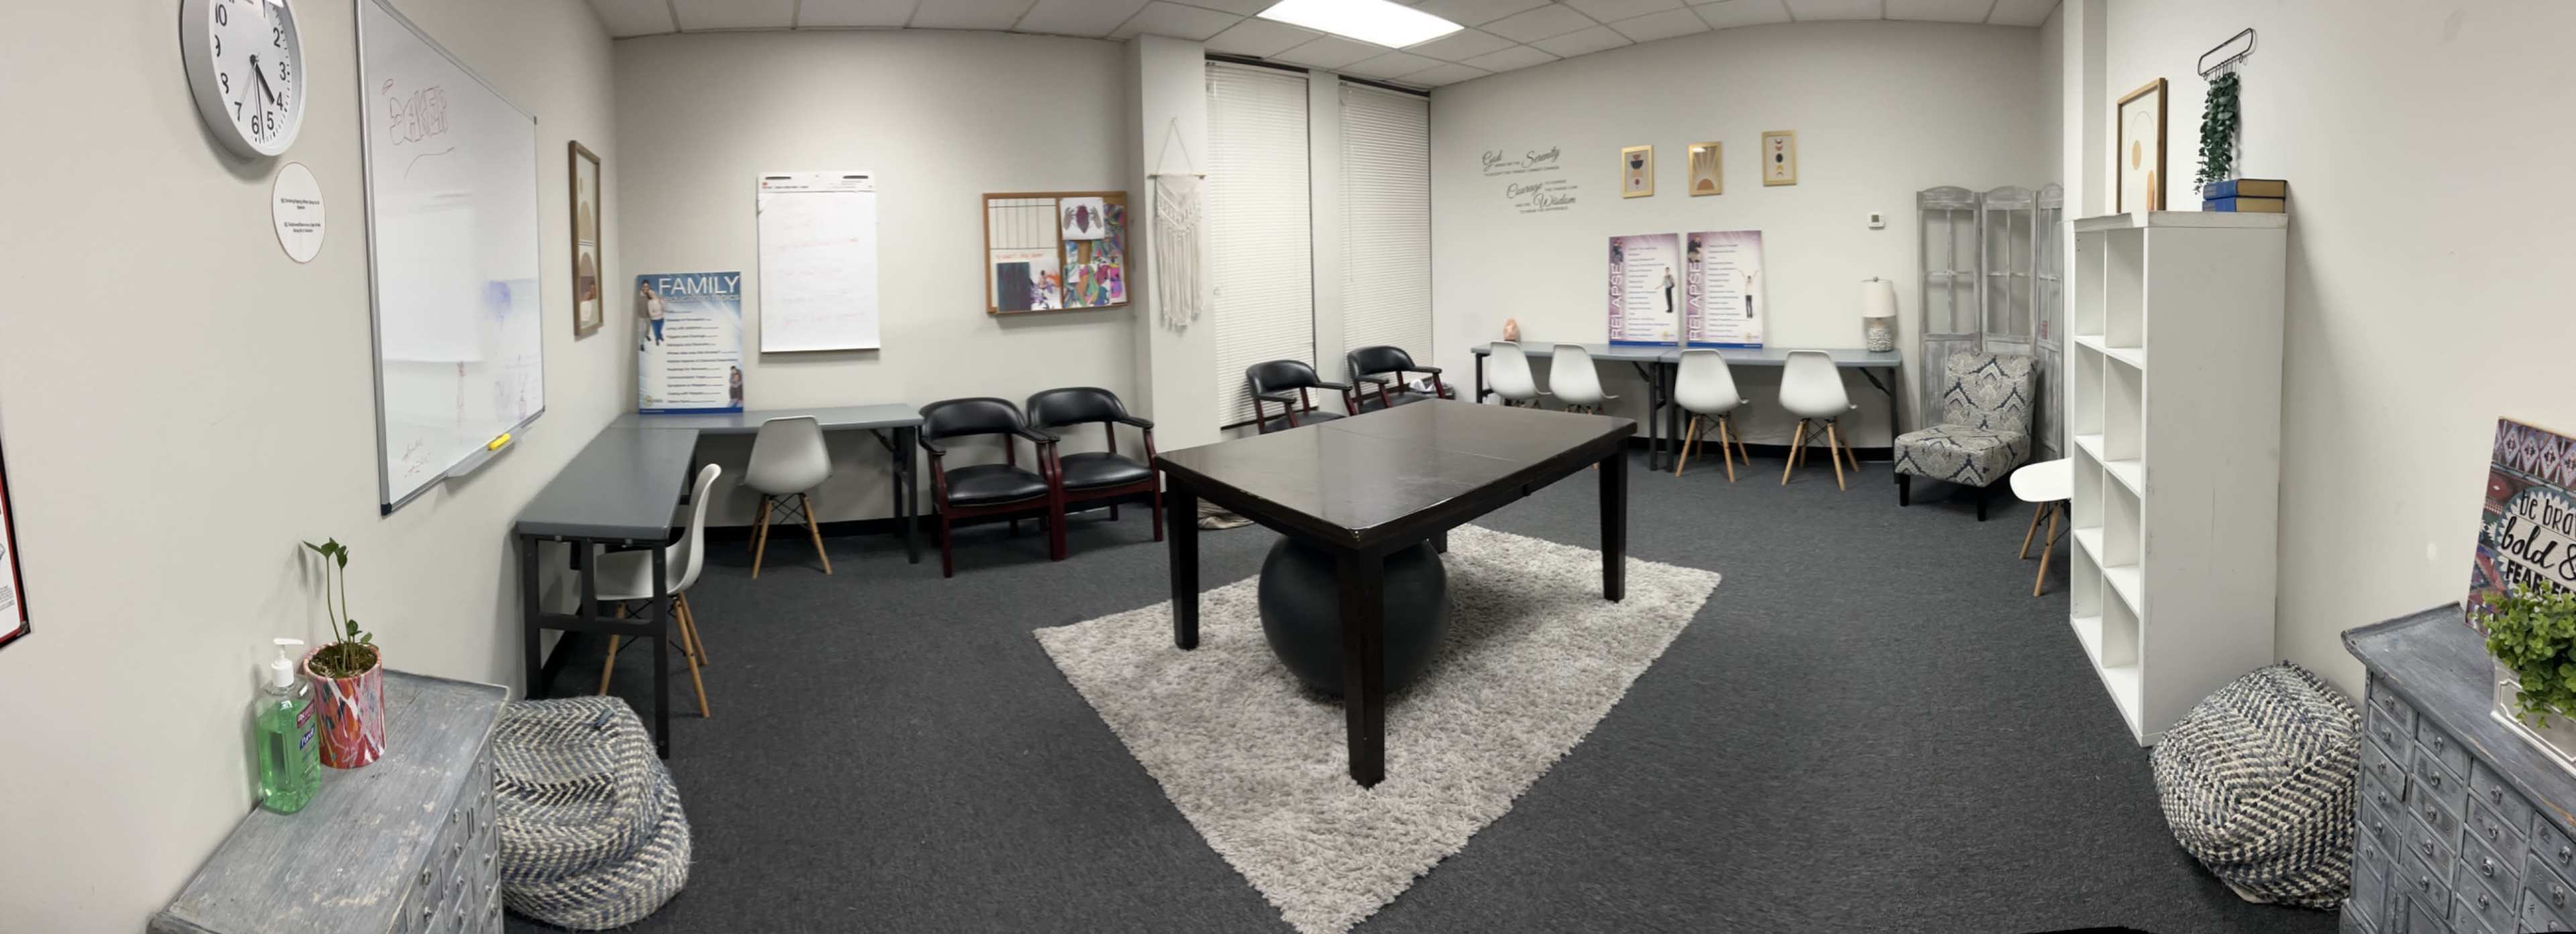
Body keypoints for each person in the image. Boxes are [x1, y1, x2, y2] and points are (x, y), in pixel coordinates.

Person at [637, 282, 665, 347]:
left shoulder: (653, 298)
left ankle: (648, 335)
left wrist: (661, 301)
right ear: (642, 287)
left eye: (647, 287)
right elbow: (652, 312)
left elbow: (662, 308)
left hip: (652, 317)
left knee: (651, 329)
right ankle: (642, 344)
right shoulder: (641, 296)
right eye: (644, 286)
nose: (646, 288)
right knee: (642, 331)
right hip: (643, 317)